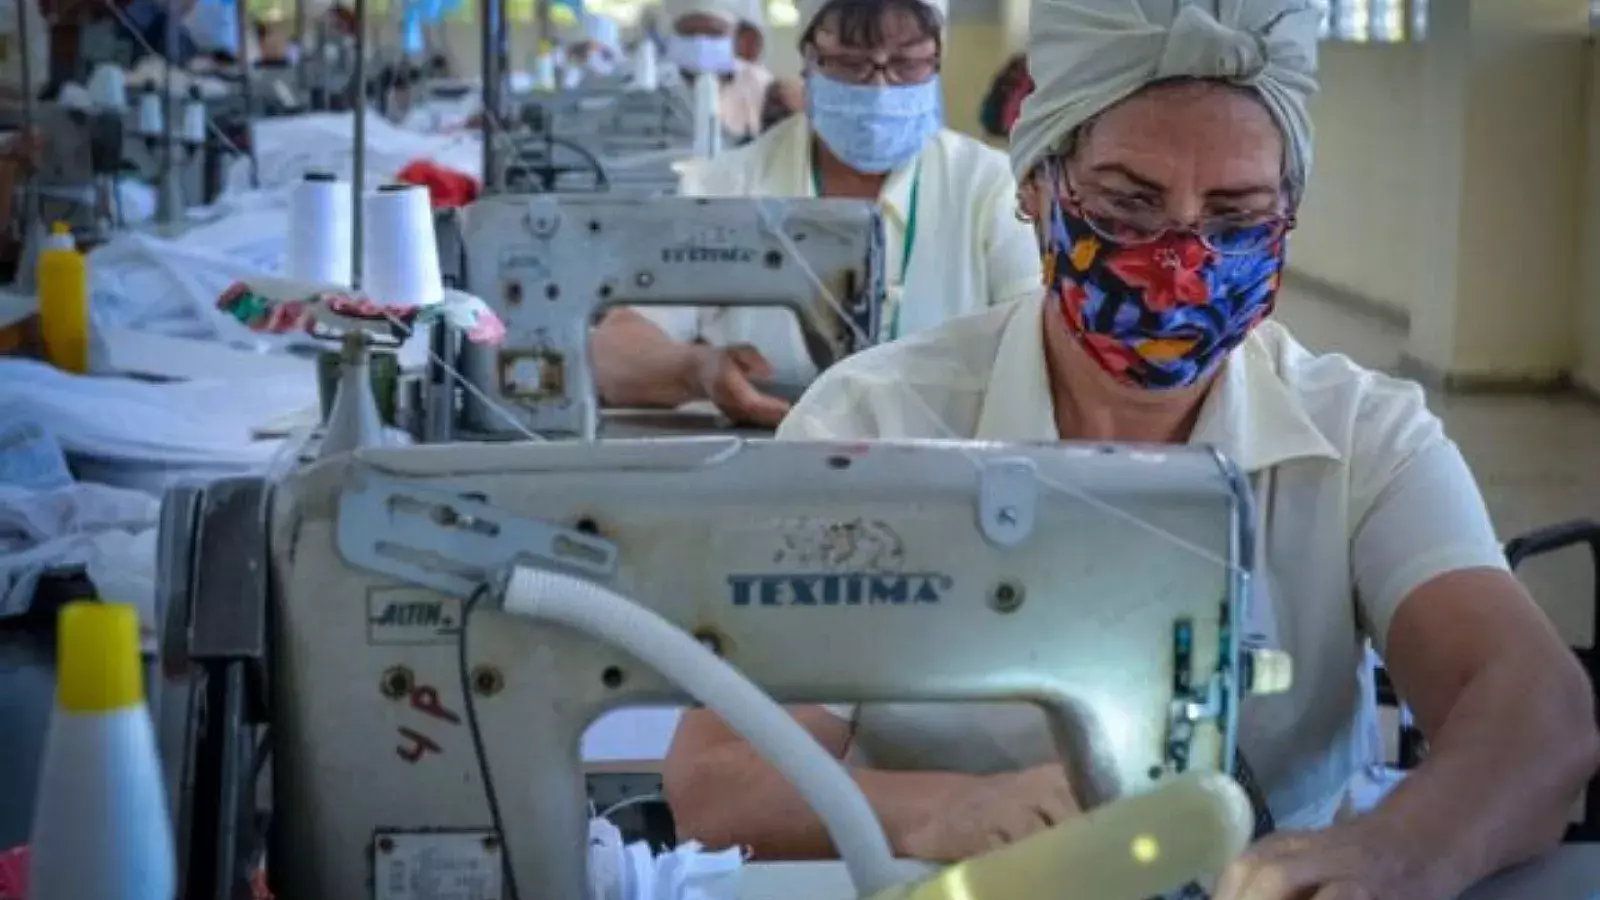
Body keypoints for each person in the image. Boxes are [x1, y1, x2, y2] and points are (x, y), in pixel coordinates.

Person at [663, 0, 1600, 896]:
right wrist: (941, 810)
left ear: (1287, 217)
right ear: (1036, 186)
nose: (1181, 261)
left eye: (1235, 218)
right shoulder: (873, 427)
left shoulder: (1360, 438)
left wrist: (1399, 853)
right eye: (1126, 205)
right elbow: (716, 777)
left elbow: (1537, 713)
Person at [591, 0, 1042, 428]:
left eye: (907, 63)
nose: (879, 86)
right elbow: (613, 351)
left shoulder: (991, 189)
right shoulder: (725, 186)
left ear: (938, 60)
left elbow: (1037, 350)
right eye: (849, 63)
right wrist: (693, 369)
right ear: (807, 60)